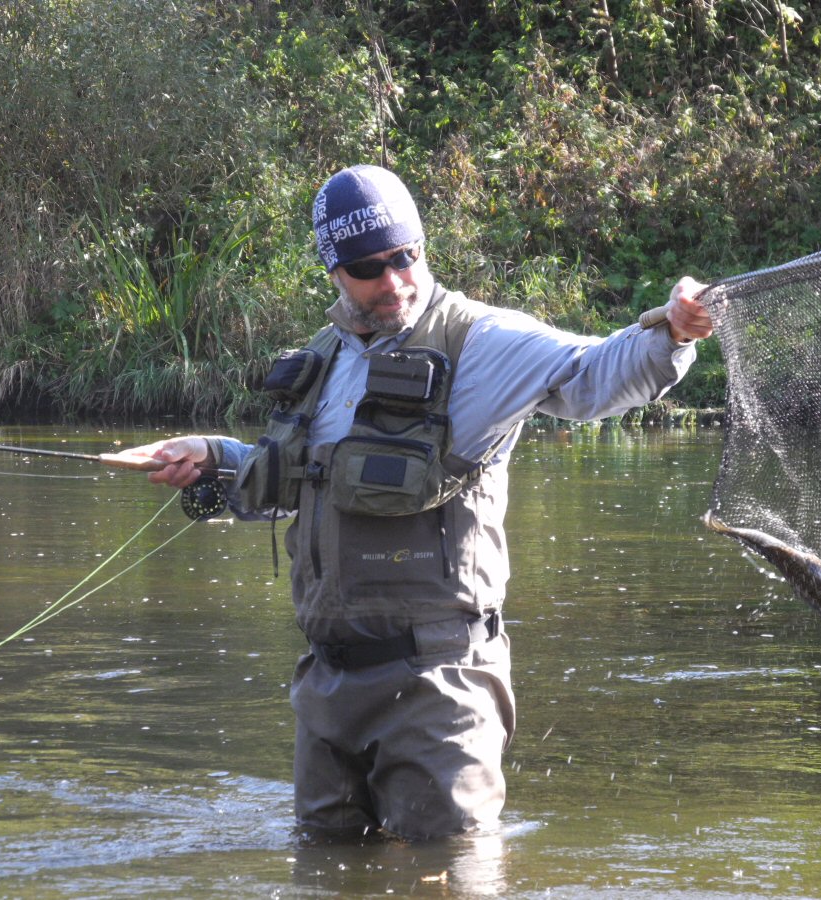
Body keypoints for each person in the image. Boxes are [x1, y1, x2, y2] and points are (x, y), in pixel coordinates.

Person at [126, 164, 712, 841]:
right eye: (368, 267)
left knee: (451, 882)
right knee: (325, 881)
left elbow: (592, 376)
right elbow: (293, 484)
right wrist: (212, 456)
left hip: (438, 689)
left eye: (405, 256)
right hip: (326, 692)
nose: (393, 281)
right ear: (333, 270)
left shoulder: (483, 343)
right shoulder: (327, 359)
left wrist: (673, 332)